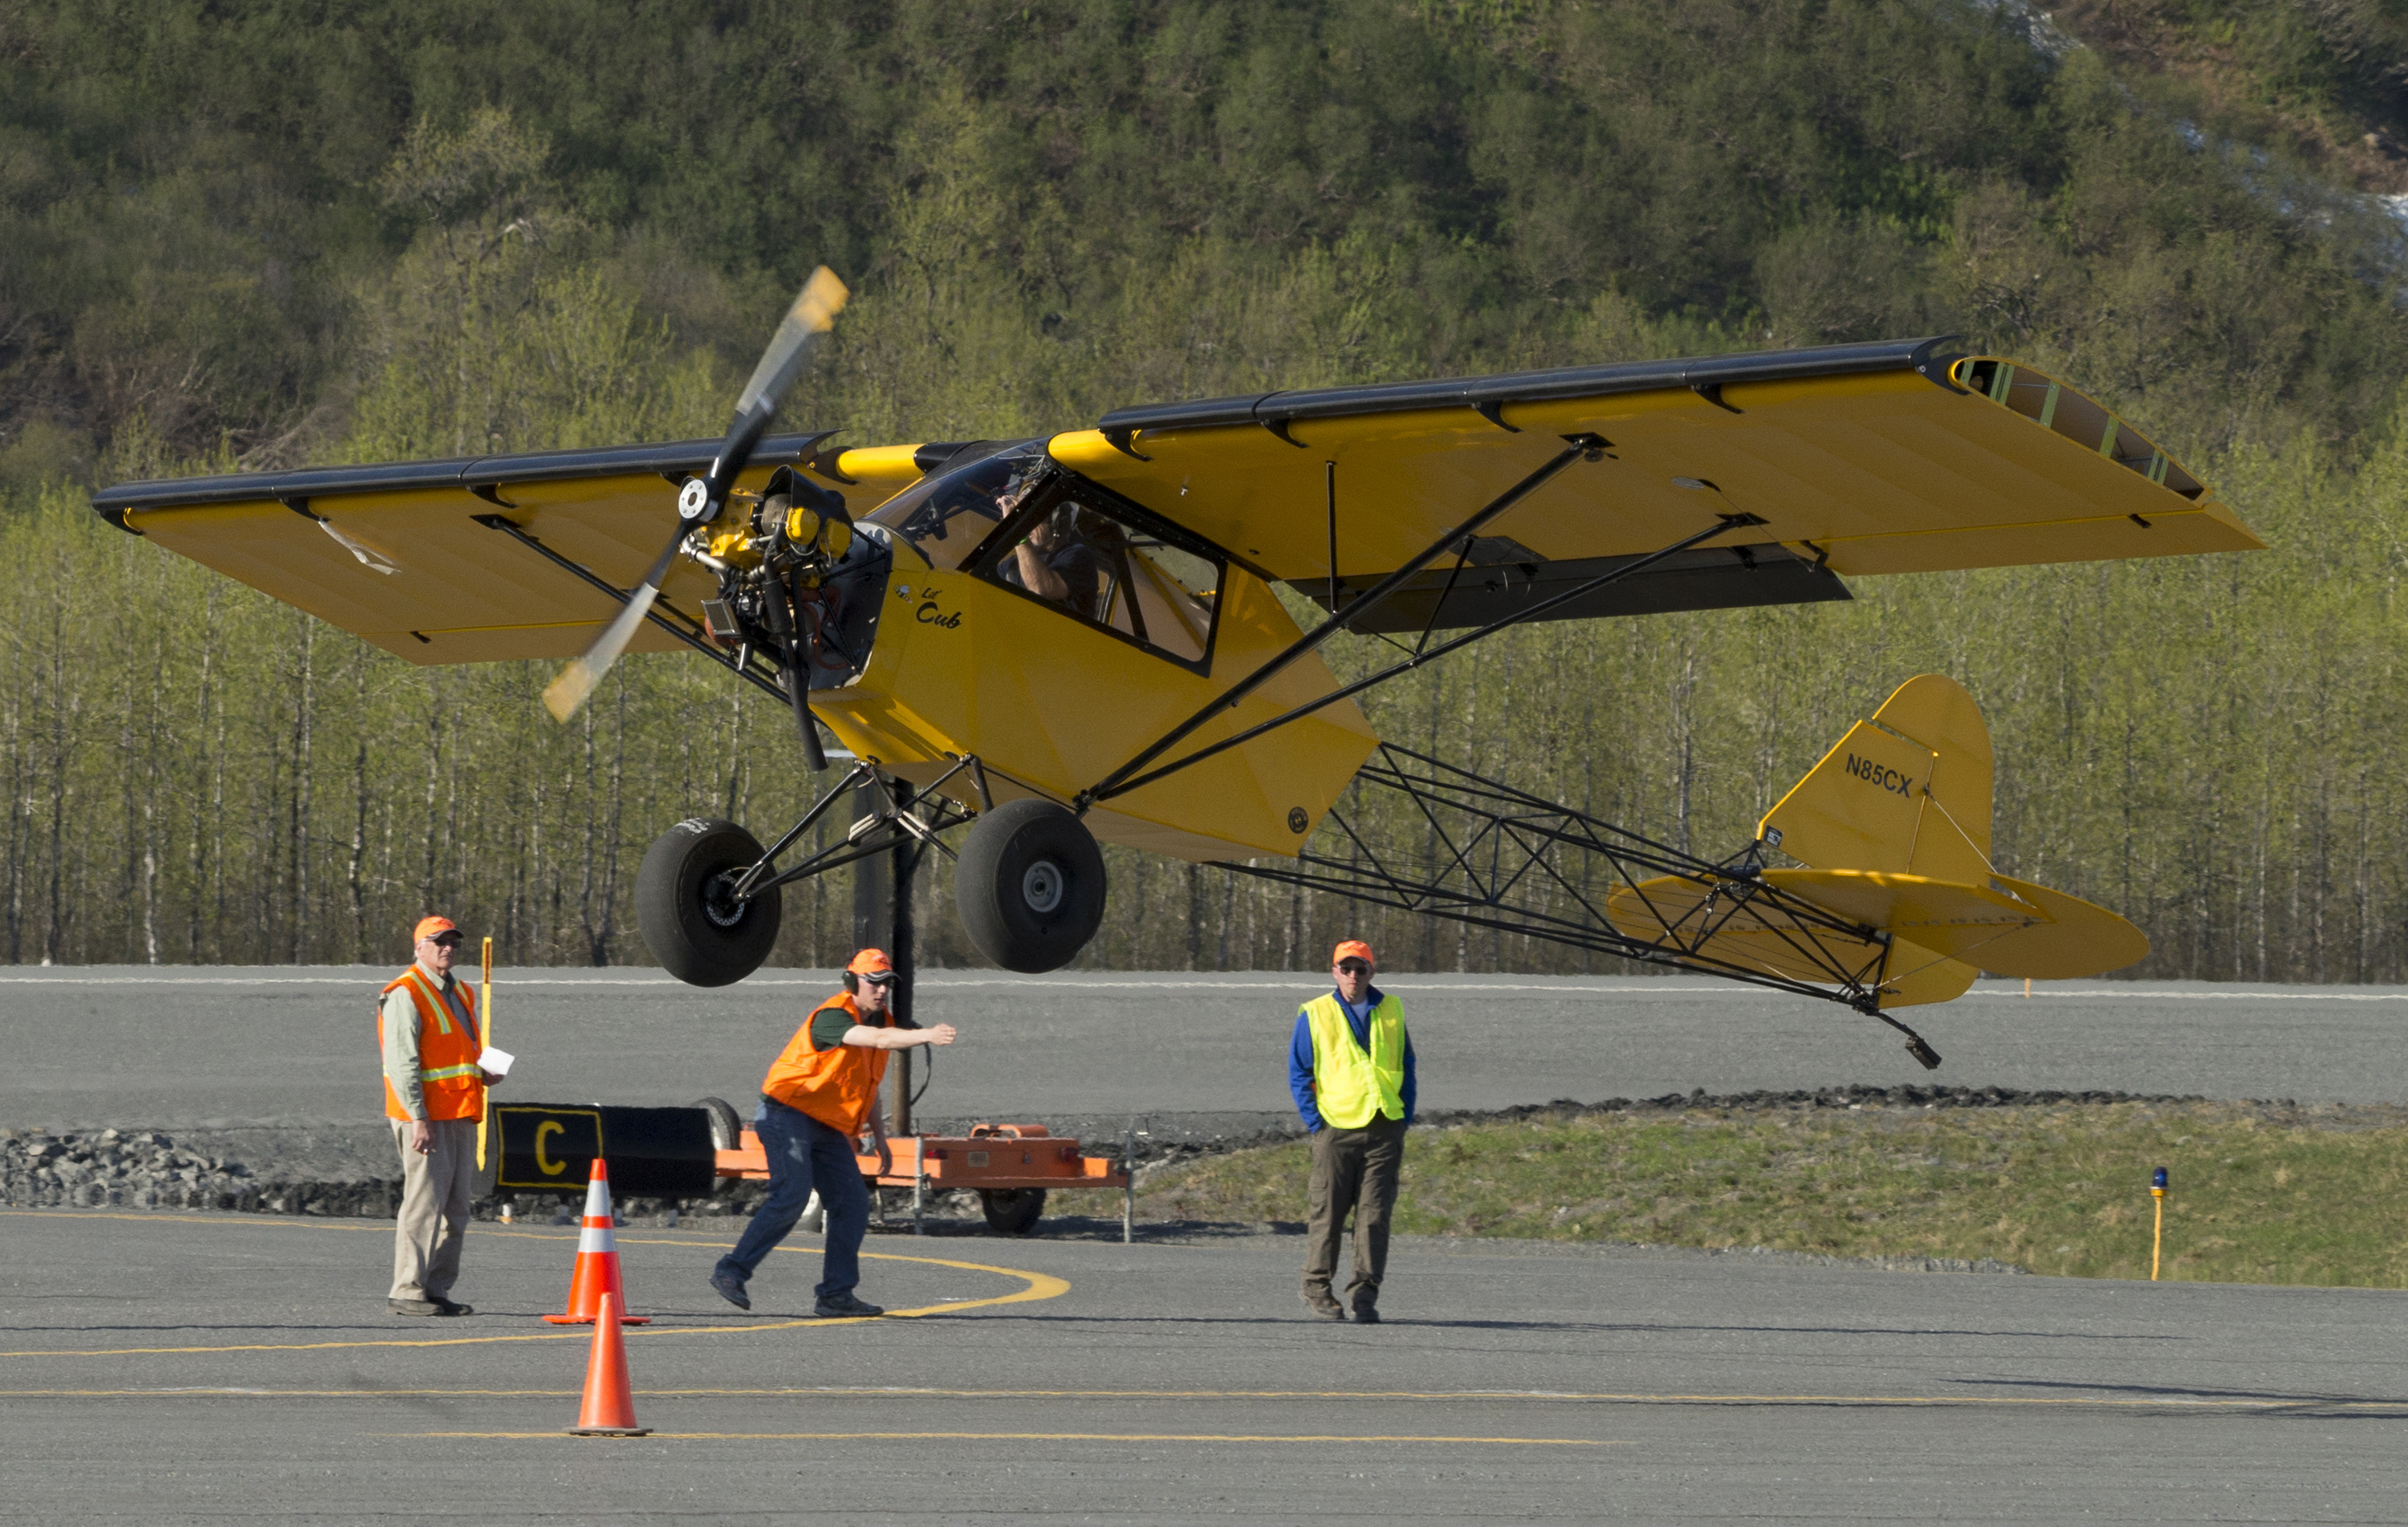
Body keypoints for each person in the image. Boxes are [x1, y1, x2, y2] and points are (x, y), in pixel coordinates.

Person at [711, 948, 957, 1317]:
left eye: (886, 983)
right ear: (851, 982)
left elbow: (867, 1087)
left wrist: (882, 1139)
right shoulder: (832, 1018)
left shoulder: (878, 1023)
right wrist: (927, 1034)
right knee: (792, 1194)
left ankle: (836, 1295)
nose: (881, 990)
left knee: (853, 1203)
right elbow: (881, 1041)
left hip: (825, 1124)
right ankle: (731, 1271)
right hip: (785, 1111)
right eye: (873, 982)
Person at [380, 915, 502, 1317]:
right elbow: (403, 1065)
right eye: (438, 942)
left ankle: (436, 1288)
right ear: (419, 948)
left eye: (451, 942)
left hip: (461, 1112)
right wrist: (418, 1118)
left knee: (456, 1210)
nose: (447, 948)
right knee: (423, 1205)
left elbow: (459, 1051)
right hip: (425, 1118)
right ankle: (407, 1289)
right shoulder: (406, 993)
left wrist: (483, 1071)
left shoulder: (462, 992)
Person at [1289, 939, 1416, 1324]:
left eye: (1360, 969)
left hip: (1384, 1128)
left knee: (1374, 1216)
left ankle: (1365, 1295)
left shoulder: (1391, 1009)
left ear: (1371, 972)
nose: (1353, 976)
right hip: (1336, 1129)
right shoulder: (1315, 1013)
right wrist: (1317, 1124)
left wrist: (1402, 1118)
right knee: (1327, 1213)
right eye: (1346, 968)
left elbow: (1407, 1065)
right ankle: (1317, 1288)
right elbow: (1299, 1073)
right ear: (1334, 972)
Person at [1003, 504, 1104, 619]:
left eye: (1032, 518)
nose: (1027, 525)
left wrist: (1020, 535)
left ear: (1058, 522)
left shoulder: (1079, 556)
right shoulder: (1012, 564)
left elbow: (1040, 589)